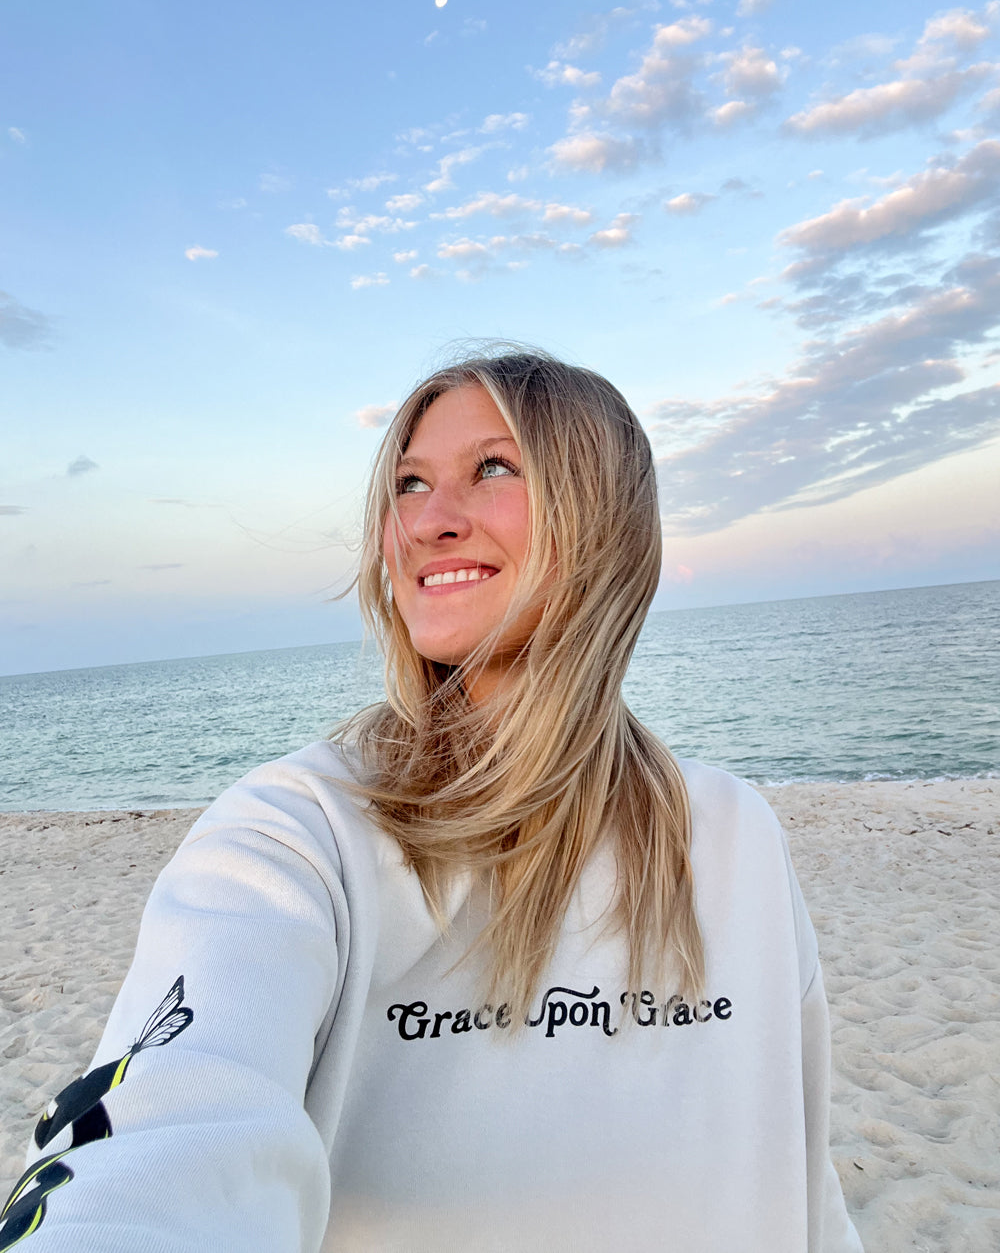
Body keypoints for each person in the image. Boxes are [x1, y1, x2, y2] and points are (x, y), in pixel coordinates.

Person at [0, 349, 863, 1251]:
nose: (428, 522)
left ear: (604, 513)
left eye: (493, 467)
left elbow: (804, 1181)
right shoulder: (301, 836)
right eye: (409, 485)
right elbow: (156, 1140)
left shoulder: (732, 835)